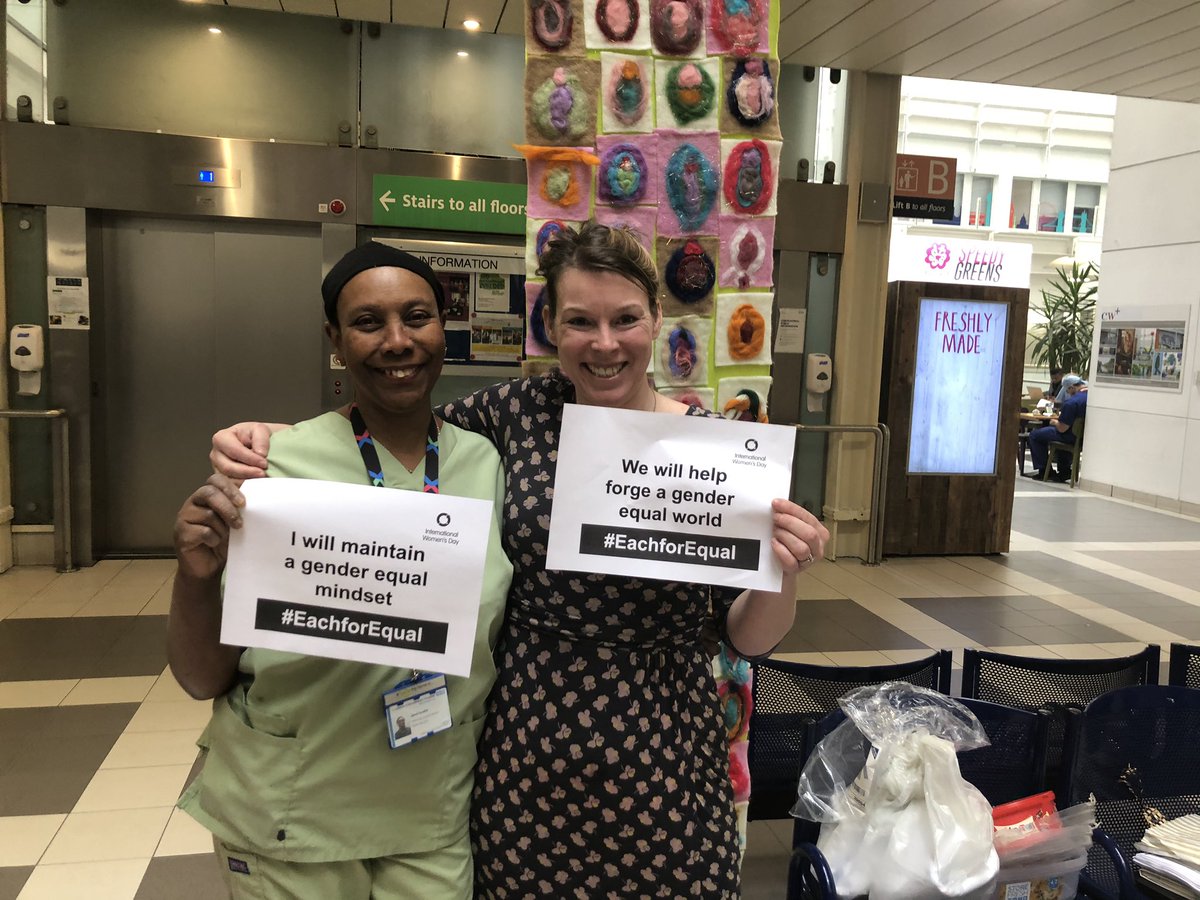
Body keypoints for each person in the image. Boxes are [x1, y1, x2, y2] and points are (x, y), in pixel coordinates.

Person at [211, 222, 829, 897]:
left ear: (656, 318)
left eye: (624, 318)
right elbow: (398, 418)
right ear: (552, 328)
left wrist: (784, 570)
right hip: (529, 756)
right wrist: (278, 438)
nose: (603, 342)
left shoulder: (714, 453)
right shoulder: (516, 413)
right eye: (579, 321)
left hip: (666, 757)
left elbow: (746, 634)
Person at [170, 244, 514, 899]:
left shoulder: (488, 466)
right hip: (290, 812)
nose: (397, 341)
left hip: (430, 807)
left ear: (445, 326)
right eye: (367, 322)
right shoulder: (270, 469)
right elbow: (200, 677)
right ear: (335, 339)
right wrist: (191, 574)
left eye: (417, 317)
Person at [1024, 373, 1088, 482]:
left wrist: (1054, 422)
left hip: (1070, 436)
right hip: (1083, 437)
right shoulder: (1090, 398)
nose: (1067, 393)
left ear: (1072, 387)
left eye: (1067, 391)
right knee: (1059, 435)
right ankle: (1064, 470)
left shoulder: (1071, 403)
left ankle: (1045, 471)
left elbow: (1062, 428)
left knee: (1035, 435)